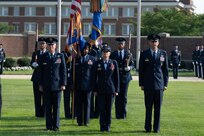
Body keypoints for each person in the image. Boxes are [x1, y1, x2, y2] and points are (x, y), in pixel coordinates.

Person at [139, 34, 169, 133]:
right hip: (148, 85)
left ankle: (156, 128)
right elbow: (141, 70)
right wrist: (141, 84)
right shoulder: (144, 54)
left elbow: (165, 71)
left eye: (156, 41)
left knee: (158, 108)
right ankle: (147, 128)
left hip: (159, 85)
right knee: (148, 108)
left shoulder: (163, 54)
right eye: (152, 41)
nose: (154, 43)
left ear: (158, 43)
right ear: (149, 42)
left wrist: (165, 84)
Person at [38, 37, 67, 131]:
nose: (51, 47)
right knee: (48, 107)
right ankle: (48, 126)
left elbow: (63, 71)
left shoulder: (60, 56)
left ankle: (56, 126)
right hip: (46, 86)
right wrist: (40, 84)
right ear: (47, 46)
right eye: (49, 45)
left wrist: (63, 84)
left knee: (56, 107)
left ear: (55, 46)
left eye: (52, 45)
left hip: (57, 86)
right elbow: (40, 72)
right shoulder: (43, 56)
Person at [92, 43, 119, 132]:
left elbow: (116, 77)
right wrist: (95, 90)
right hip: (100, 90)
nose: (105, 53)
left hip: (111, 89)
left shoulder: (113, 63)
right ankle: (102, 127)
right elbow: (94, 77)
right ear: (102, 53)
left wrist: (116, 90)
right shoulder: (97, 63)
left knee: (108, 109)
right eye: (104, 52)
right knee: (102, 109)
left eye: (107, 52)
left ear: (109, 53)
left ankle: (107, 126)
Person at [110, 37, 133, 119]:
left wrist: (129, 68)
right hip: (116, 78)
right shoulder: (113, 54)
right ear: (117, 45)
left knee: (124, 96)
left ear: (124, 45)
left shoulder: (128, 54)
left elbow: (132, 64)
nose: (120, 45)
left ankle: (123, 114)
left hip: (125, 77)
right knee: (117, 96)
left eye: (122, 44)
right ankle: (117, 114)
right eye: (119, 44)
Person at [75, 43, 95, 126]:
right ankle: (79, 121)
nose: (85, 50)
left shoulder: (92, 59)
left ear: (89, 50)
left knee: (87, 104)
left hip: (88, 85)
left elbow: (94, 74)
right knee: (79, 104)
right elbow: (74, 72)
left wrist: (93, 85)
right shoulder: (76, 58)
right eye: (83, 49)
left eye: (86, 49)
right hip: (78, 85)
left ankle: (86, 121)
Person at [30, 37, 47, 117]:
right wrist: (34, 64)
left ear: (46, 45)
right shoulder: (35, 53)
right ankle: (38, 114)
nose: (42, 45)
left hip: (45, 78)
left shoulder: (47, 53)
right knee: (37, 97)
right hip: (36, 78)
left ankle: (43, 113)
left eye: (43, 43)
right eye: (40, 44)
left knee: (45, 97)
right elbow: (31, 64)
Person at [89, 40, 102, 119]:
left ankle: (97, 113)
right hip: (91, 77)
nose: (96, 42)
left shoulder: (101, 51)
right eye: (94, 40)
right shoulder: (90, 51)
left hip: (99, 77)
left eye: (97, 40)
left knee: (98, 97)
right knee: (90, 97)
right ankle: (91, 113)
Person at [61, 47, 73, 119]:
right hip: (66, 80)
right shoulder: (63, 54)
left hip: (74, 80)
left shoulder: (77, 54)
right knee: (66, 98)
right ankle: (67, 114)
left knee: (74, 99)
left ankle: (74, 113)